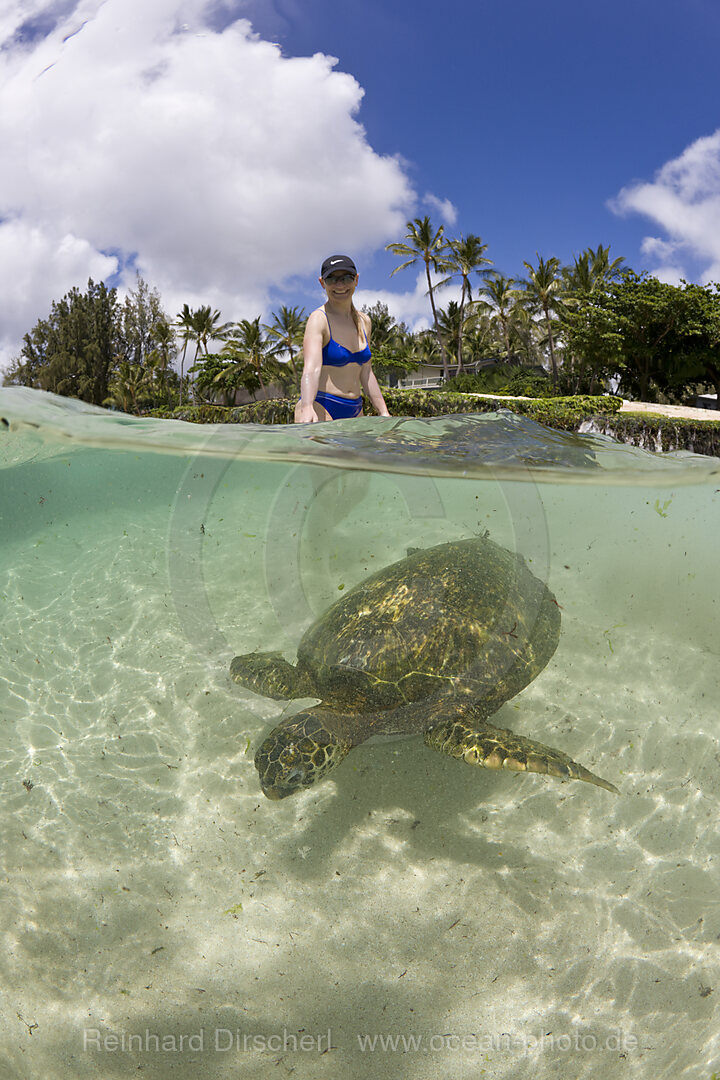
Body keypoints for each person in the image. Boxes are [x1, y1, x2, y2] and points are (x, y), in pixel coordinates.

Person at [294, 255, 391, 423]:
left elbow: (366, 372)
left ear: (356, 280)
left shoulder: (364, 322)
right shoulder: (319, 319)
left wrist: (383, 412)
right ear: (322, 282)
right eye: (332, 279)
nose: (340, 285)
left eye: (347, 278)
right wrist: (307, 406)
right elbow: (311, 369)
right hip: (321, 406)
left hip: (355, 408)